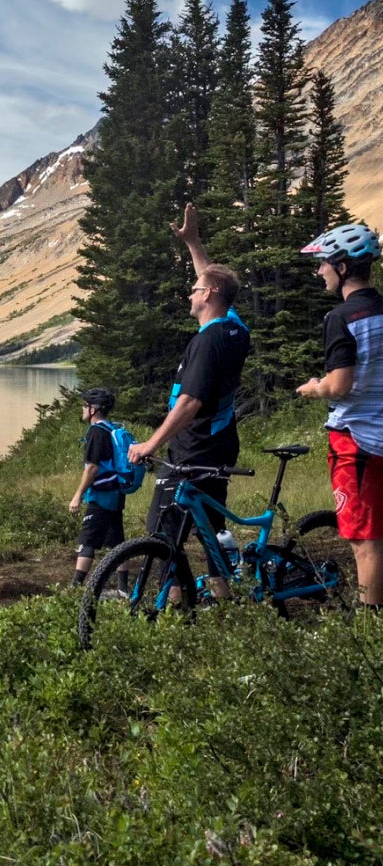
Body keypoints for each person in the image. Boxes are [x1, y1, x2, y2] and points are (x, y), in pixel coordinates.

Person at [128, 203, 251, 602]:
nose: (191, 291)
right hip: (220, 442)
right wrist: (194, 243)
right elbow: (214, 279)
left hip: (193, 446)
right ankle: (223, 596)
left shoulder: (207, 341)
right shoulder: (235, 327)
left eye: (196, 288)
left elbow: (190, 402)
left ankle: (175, 607)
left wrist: (151, 444)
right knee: (210, 524)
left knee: (163, 528)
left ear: (209, 295)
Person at [295, 222, 383, 609]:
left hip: (357, 438)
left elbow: (340, 385)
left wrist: (314, 387)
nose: (319, 272)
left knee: (365, 541)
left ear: (343, 267)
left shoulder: (341, 317)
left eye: (324, 264)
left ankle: (369, 630)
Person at [66, 388, 132, 591]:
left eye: (85, 405)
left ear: (94, 409)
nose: (82, 409)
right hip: (116, 492)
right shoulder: (111, 428)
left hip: (101, 495)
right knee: (117, 542)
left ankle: (74, 588)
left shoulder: (95, 432)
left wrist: (77, 495)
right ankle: (123, 589)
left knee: (87, 540)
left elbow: (92, 468)